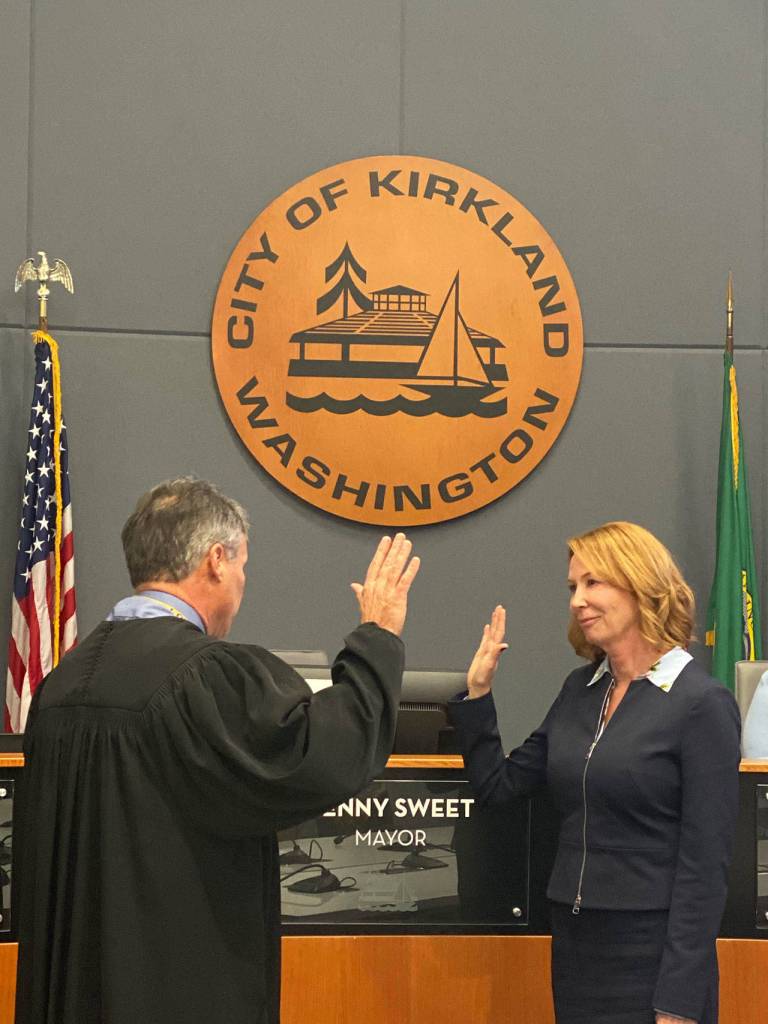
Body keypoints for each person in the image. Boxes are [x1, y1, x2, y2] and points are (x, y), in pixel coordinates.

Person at [14, 477, 420, 1024]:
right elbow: (323, 756)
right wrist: (378, 634)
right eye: (243, 566)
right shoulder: (204, 676)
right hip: (173, 988)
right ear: (215, 561)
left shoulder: (59, 688)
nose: (242, 584)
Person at [448, 521, 740, 1024]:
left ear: (641, 585)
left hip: (652, 956)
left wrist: (680, 997)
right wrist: (477, 695)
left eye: (593, 583)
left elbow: (705, 866)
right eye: (572, 587)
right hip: (576, 946)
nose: (577, 600)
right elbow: (501, 787)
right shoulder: (579, 690)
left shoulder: (701, 704)